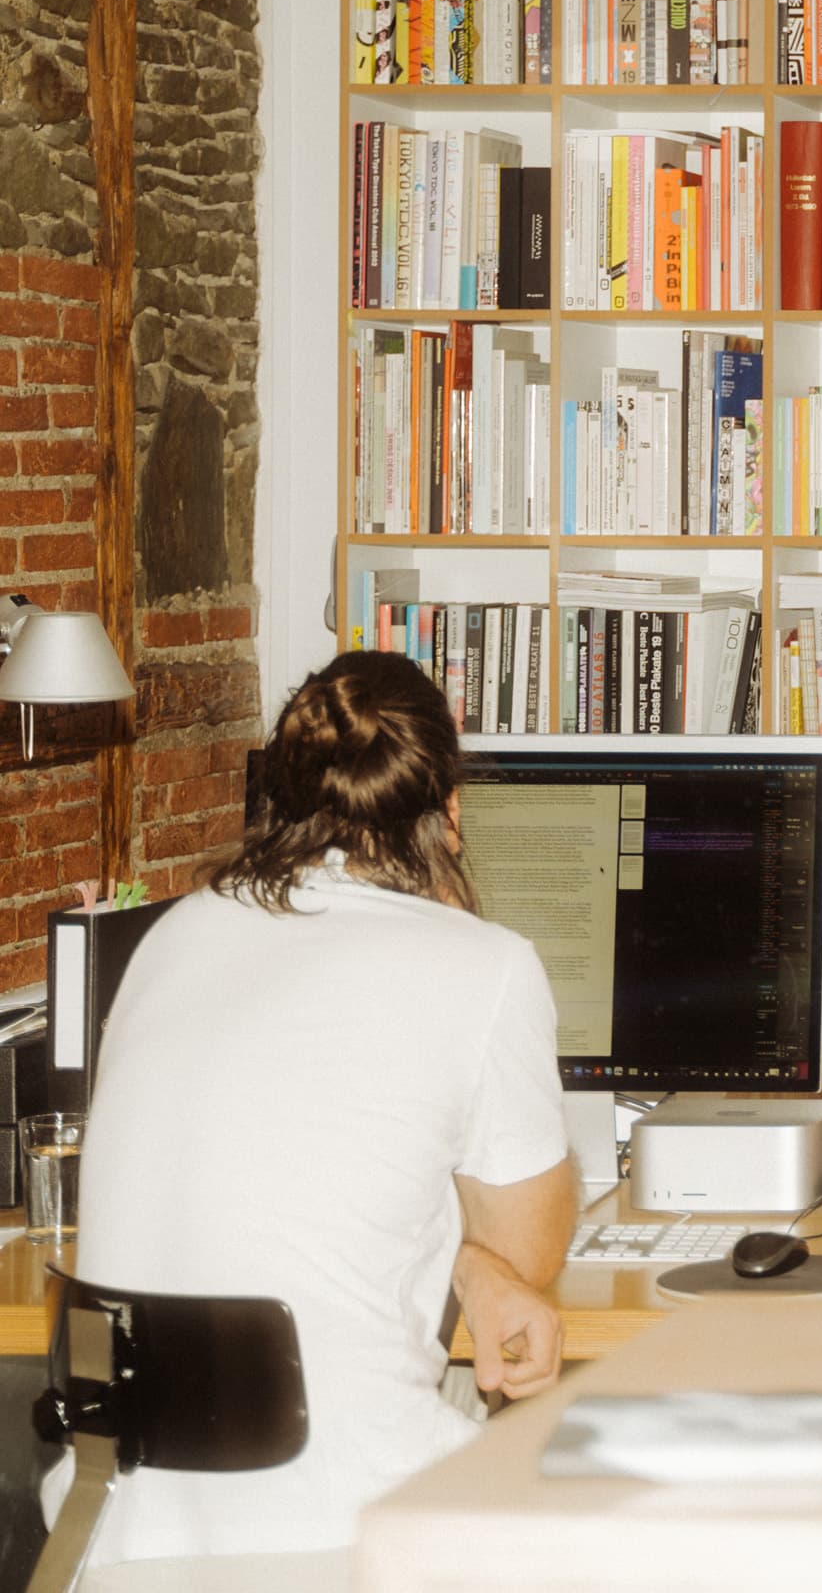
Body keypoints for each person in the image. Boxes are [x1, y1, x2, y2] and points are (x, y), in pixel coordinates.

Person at [68, 651, 573, 1561]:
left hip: (114, 1535)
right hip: (347, 1521)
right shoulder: (481, 963)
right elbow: (530, 1252)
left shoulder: (173, 936)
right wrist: (491, 1263)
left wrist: (463, 1268)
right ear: (449, 815)